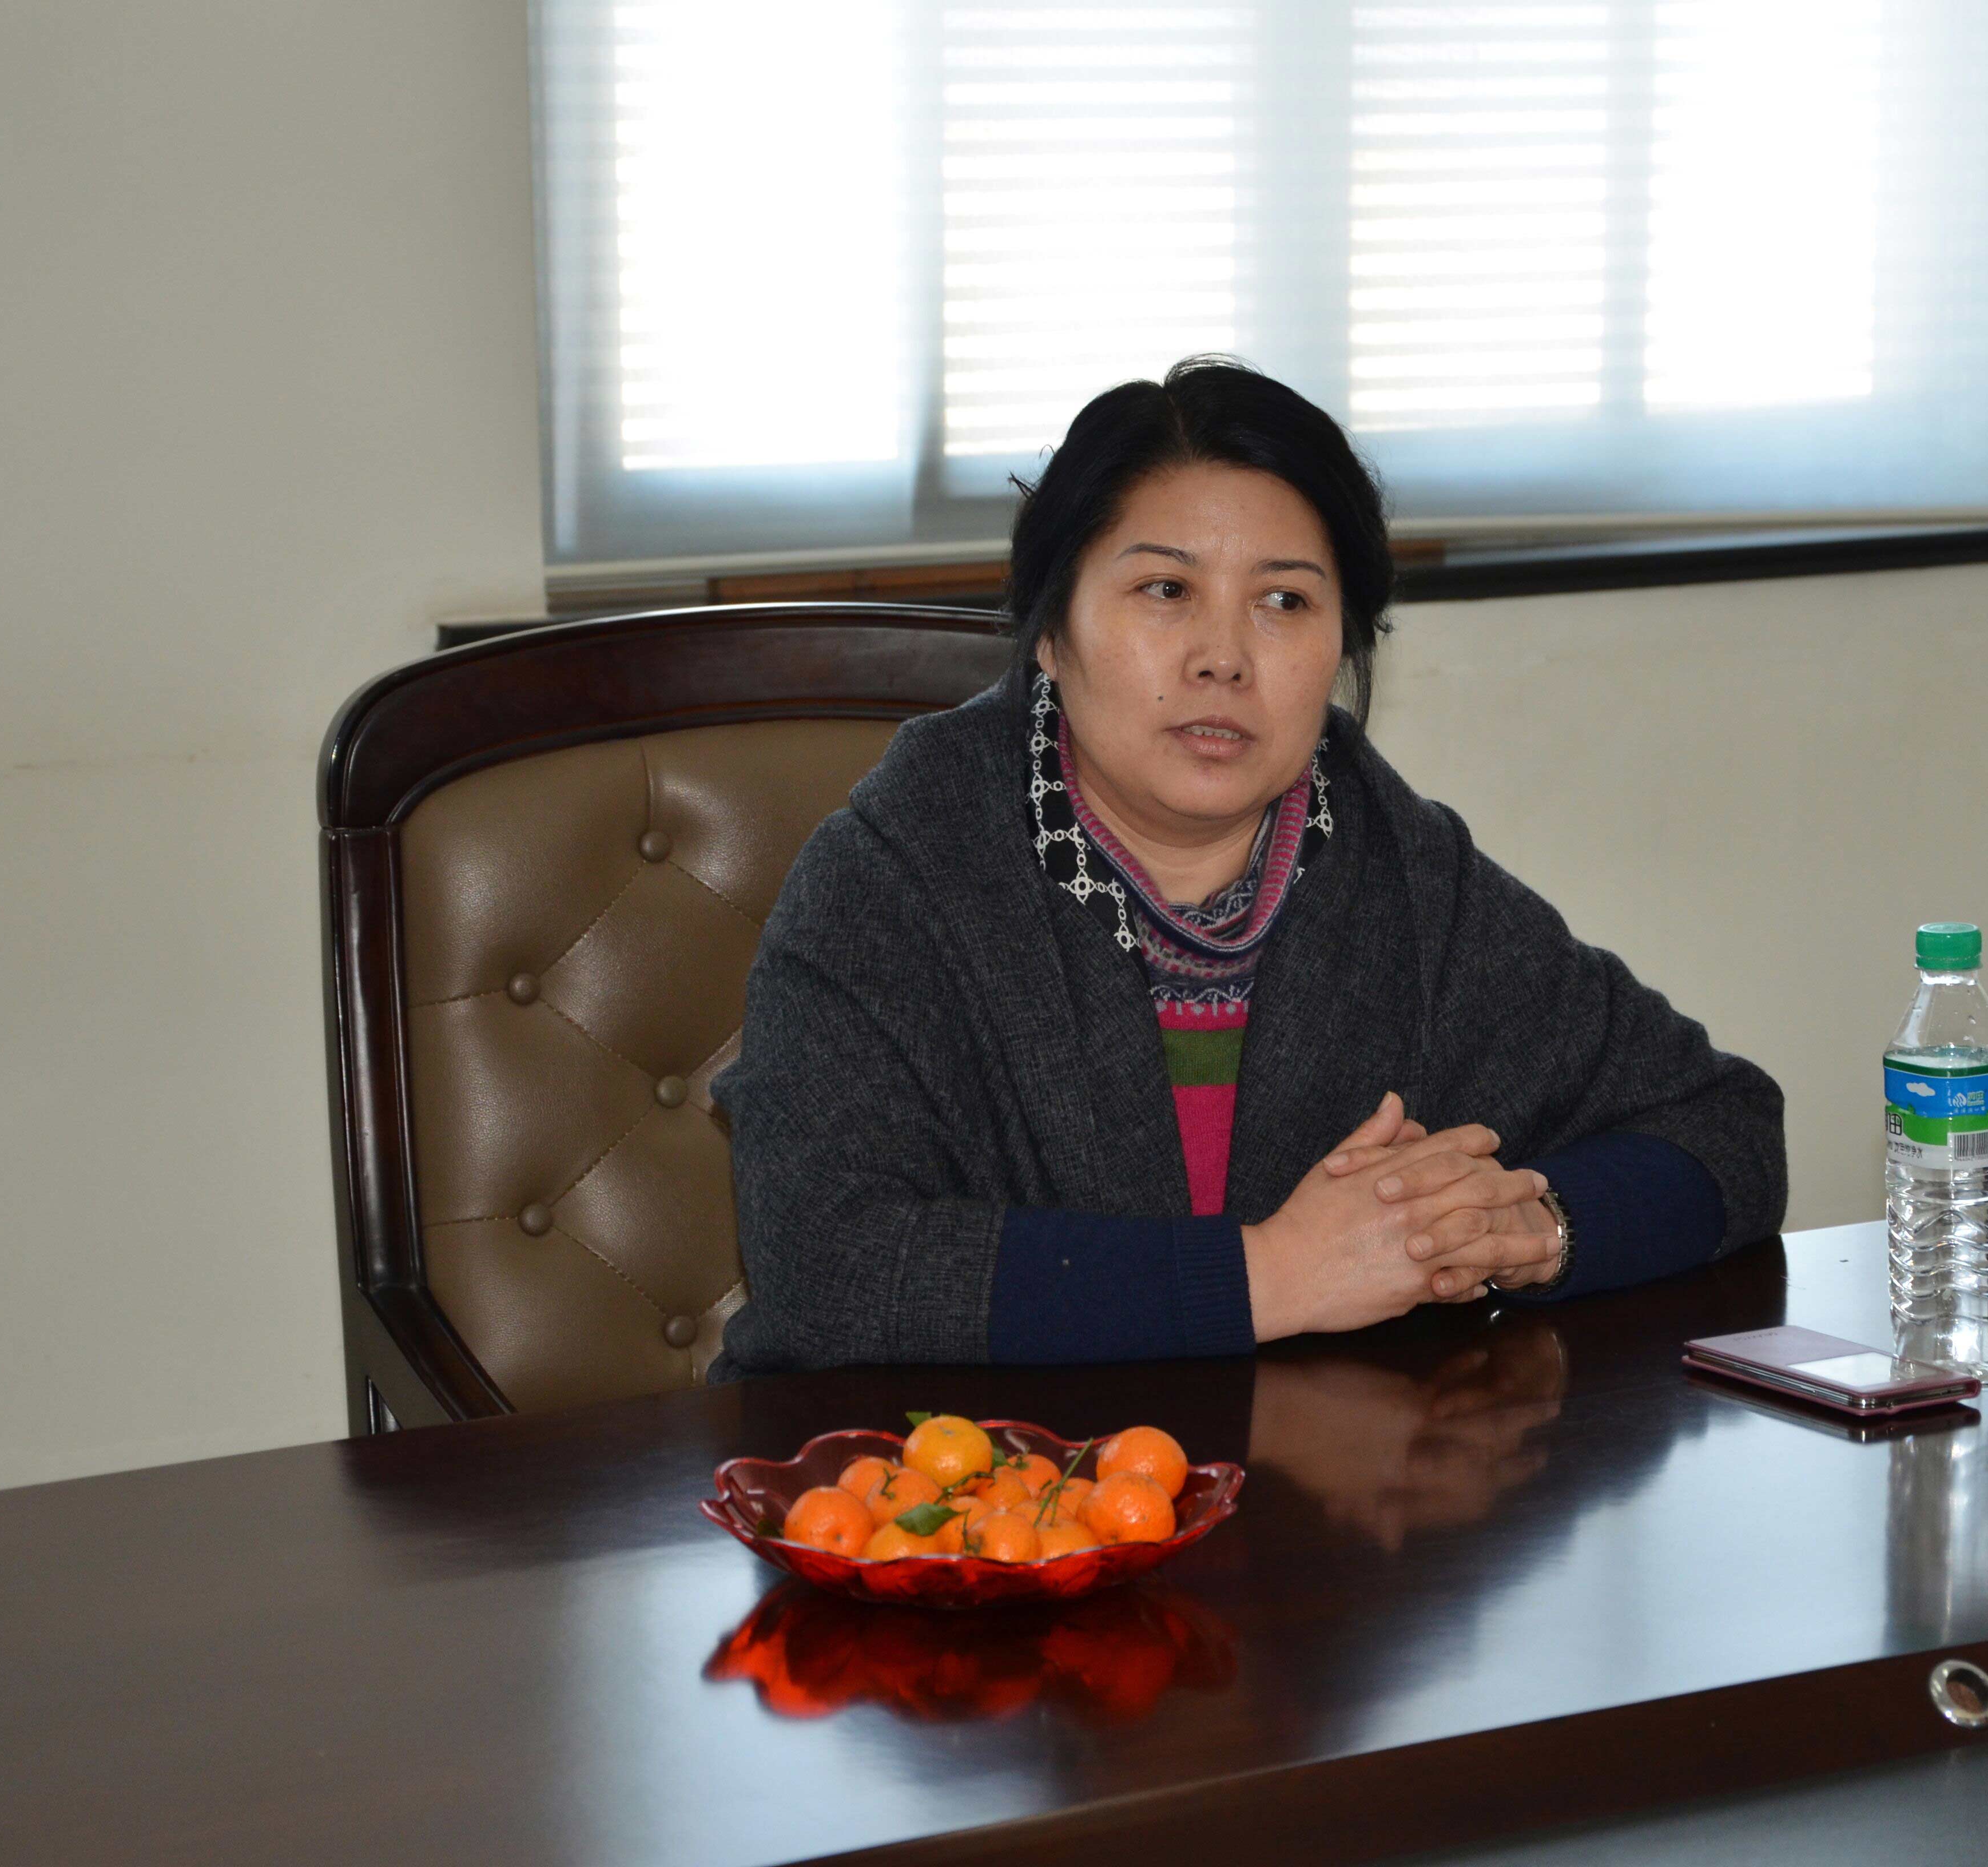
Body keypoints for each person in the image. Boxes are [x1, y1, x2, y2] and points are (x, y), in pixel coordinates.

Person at [709, 358, 1784, 1375]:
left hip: (1305, 1483)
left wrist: (1530, 1229)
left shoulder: (1395, 866)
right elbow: (825, 1267)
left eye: (1284, 602)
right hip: (950, 1485)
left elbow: (1725, 1127)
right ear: (1051, 632)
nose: (1223, 657)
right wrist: (1273, 1275)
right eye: (1165, 589)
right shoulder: (900, 868)